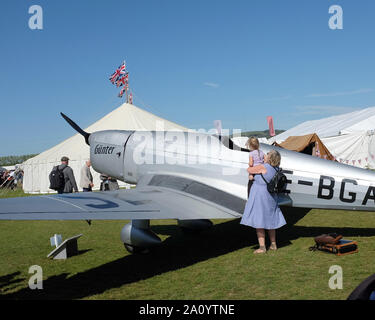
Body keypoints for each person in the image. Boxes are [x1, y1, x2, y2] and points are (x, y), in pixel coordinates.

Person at [240, 149, 286, 254]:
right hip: (271, 197)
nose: (265, 155)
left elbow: (249, 170)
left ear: (270, 158)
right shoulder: (276, 168)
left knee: (259, 221)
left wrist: (252, 163)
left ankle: (262, 247)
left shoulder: (263, 167)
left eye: (268, 154)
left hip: (260, 196)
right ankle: (273, 244)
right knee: (270, 220)